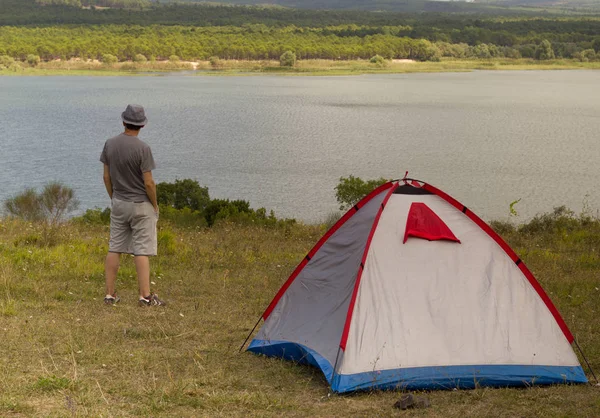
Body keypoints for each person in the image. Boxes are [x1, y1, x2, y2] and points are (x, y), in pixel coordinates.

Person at [100, 104, 166, 306]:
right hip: (140, 204)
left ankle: (110, 295)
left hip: (119, 202)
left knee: (115, 247)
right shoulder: (143, 149)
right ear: (142, 126)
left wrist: (114, 197)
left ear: (123, 122)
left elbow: (106, 177)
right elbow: (149, 182)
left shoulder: (110, 144)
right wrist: (154, 205)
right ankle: (145, 297)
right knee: (141, 250)